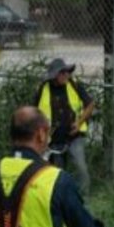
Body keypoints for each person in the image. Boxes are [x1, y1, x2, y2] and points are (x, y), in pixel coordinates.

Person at [33, 58, 97, 194]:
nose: (66, 75)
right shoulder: (43, 89)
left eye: (67, 72)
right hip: (53, 139)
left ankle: (83, 196)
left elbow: (90, 104)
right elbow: (34, 111)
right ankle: (60, 197)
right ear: (54, 75)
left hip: (74, 135)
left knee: (81, 167)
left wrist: (79, 123)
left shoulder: (73, 85)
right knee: (57, 173)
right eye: (62, 72)